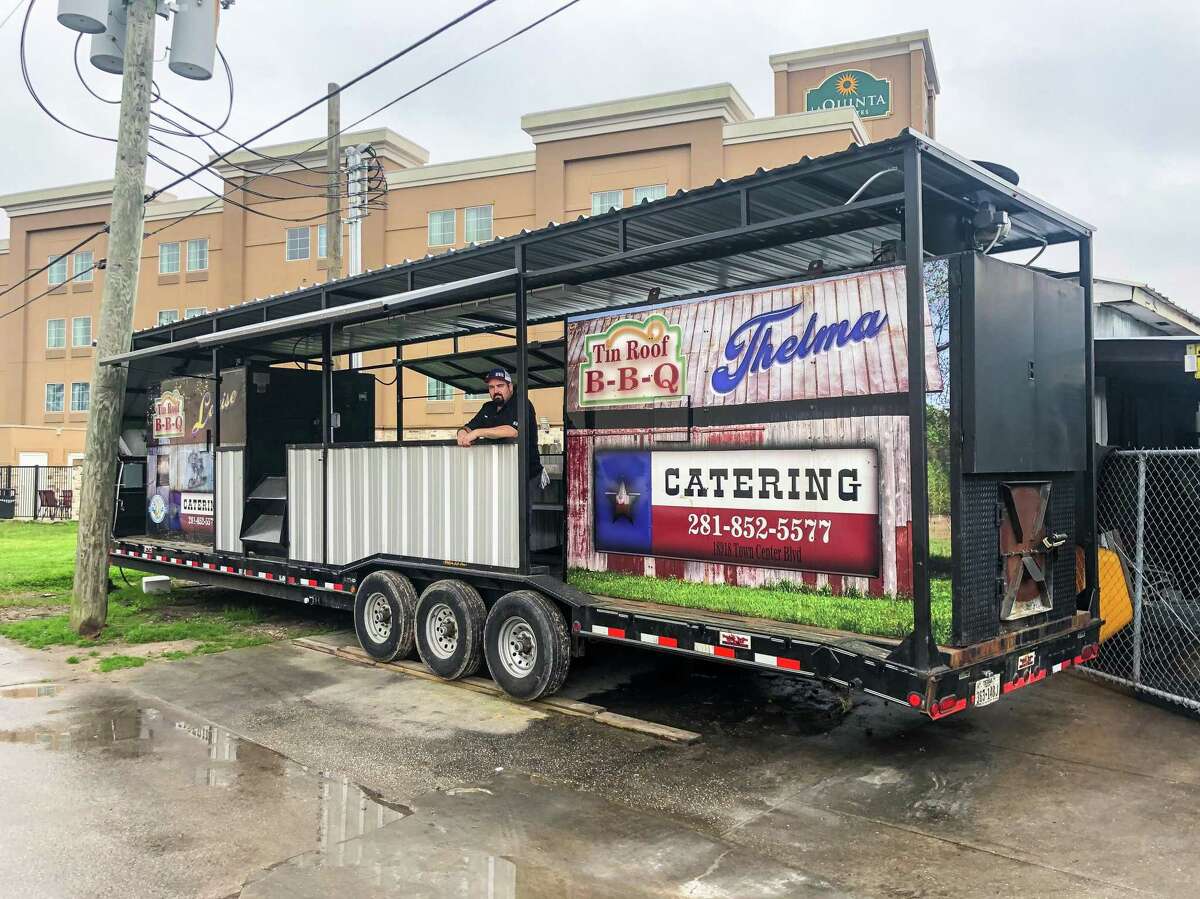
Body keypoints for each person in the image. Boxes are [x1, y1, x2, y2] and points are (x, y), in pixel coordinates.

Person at [456, 368, 546, 485]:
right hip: (498, 475)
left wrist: (477, 432)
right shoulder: (488, 407)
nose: (496, 391)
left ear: (510, 387)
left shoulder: (522, 404)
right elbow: (469, 427)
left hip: (527, 476)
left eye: (500, 386)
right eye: (491, 387)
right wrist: (462, 433)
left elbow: (512, 431)